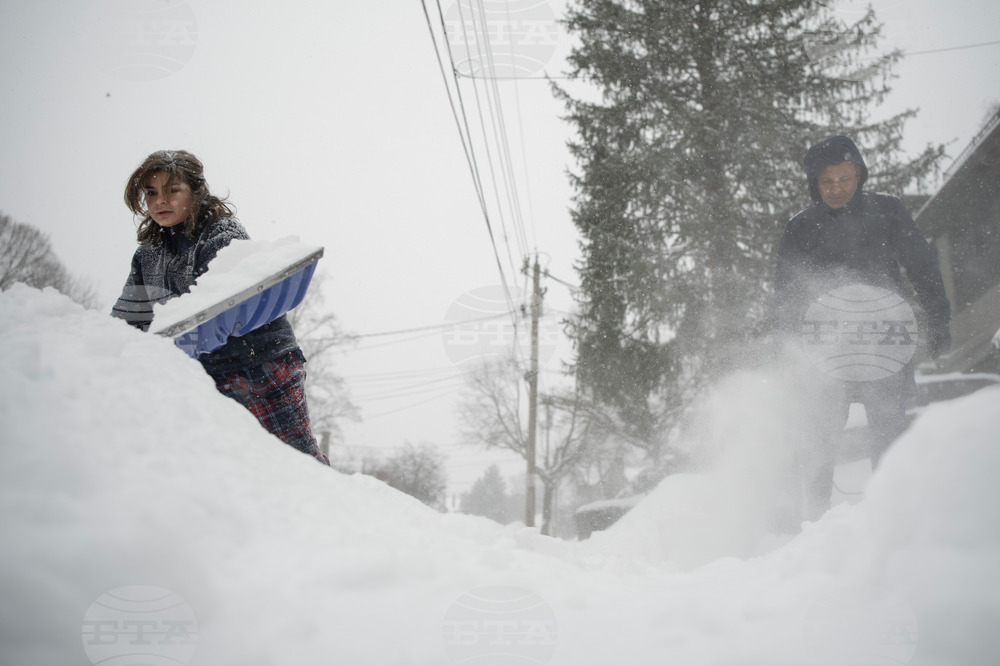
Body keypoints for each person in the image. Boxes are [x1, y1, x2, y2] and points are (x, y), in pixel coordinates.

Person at [111, 150, 330, 466]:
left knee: (296, 460)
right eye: (151, 192)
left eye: (173, 190)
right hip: (206, 373)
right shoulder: (148, 253)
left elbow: (215, 307)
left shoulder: (220, 234)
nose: (160, 200)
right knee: (232, 469)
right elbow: (129, 318)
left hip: (262, 364)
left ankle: (338, 511)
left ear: (195, 192)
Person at [773, 135, 950, 519]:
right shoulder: (800, 228)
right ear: (814, 184)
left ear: (859, 175)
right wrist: (788, 352)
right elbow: (785, 294)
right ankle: (815, 522)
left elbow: (922, 266)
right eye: (827, 183)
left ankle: (893, 517)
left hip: (884, 340)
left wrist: (937, 318)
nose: (837, 190)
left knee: (889, 433)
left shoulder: (887, 212)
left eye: (844, 180)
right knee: (819, 438)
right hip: (824, 347)